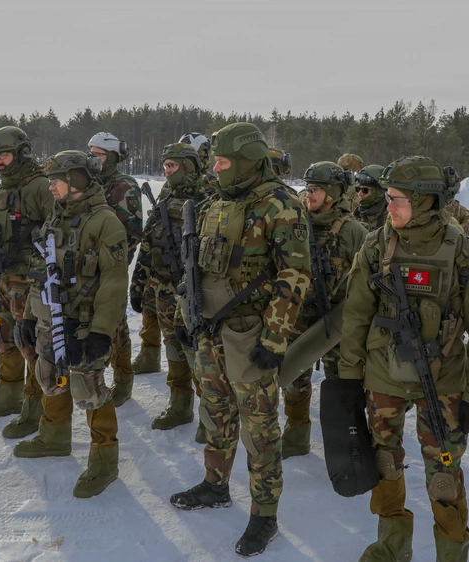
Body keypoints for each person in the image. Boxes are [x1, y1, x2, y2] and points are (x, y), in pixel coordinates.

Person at [338, 156, 469, 561]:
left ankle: (451, 553)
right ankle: (391, 546)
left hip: (442, 384)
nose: (388, 206)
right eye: (388, 198)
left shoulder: (461, 251)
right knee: (385, 462)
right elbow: (355, 315)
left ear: (426, 201)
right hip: (382, 378)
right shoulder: (376, 245)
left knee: (444, 473)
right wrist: (347, 378)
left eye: (397, 199)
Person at [169, 122, 311, 557]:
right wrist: (182, 313)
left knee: (261, 428)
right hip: (208, 329)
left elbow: (295, 275)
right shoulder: (214, 203)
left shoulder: (281, 206)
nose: (215, 168)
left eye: (224, 162)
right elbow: (197, 267)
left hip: (251, 334)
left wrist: (274, 339)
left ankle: (264, 514)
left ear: (248, 161)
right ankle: (215, 485)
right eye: (214, 161)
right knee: (216, 413)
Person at [16, 150, 129, 498]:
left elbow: (113, 282)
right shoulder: (56, 217)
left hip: (85, 323)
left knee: (89, 389)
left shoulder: (105, 221)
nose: (51, 187)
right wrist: (30, 317)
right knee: (49, 376)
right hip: (51, 320)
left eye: (57, 181)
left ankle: (104, 461)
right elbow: (42, 274)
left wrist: (100, 332)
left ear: (77, 180)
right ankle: (53, 437)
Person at [282, 161, 367, 458]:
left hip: (338, 323)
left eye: (315, 189)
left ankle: (345, 445)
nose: (309, 194)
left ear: (332, 193)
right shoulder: (297, 224)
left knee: (341, 385)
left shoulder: (355, 231)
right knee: (294, 380)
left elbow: (368, 281)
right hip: (299, 317)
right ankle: (295, 436)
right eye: (307, 188)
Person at [0, 127, 52, 443]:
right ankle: (7, 396)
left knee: (29, 344)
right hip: (2, 279)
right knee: (2, 335)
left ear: (21, 153)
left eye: (4, 155)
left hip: (30, 283)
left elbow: (57, 235)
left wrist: (38, 272)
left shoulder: (41, 188)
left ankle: (35, 408)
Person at [130, 143, 212, 437]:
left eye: (172, 165)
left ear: (189, 166)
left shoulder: (209, 196)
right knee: (173, 349)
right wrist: (139, 284)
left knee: (198, 356)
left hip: (193, 290)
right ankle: (179, 407)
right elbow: (149, 240)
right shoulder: (166, 193)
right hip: (162, 288)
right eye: (165, 165)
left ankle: (210, 417)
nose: (167, 170)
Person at [88, 132, 143, 406]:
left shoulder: (124, 185)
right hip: (87, 269)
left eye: (98, 154)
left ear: (112, 157)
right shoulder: (85, 182)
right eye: (91, 153)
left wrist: (113, 264)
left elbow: (130, 234)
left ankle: (123, 380)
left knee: (117, 328)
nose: (93, 159)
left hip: (112, 269)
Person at [353, 164, 388, 231]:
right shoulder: (354, 216)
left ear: (379, 192)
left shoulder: (391, 219)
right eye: (357, 189)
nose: (360, 194)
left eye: (365, 190)